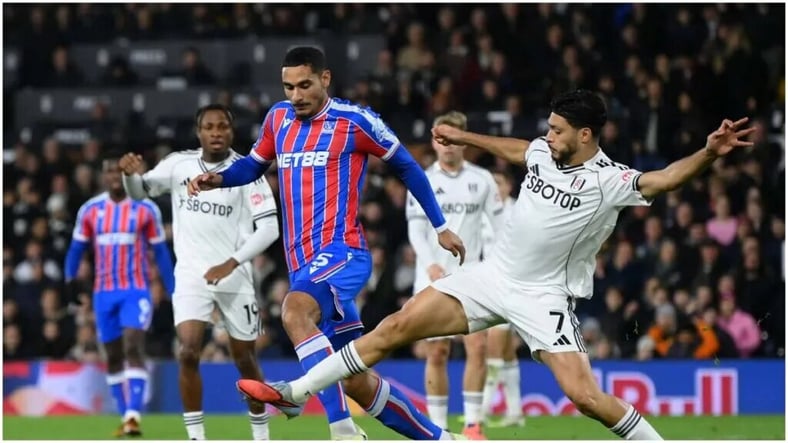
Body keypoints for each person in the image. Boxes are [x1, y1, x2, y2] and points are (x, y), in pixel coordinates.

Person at [237, 89, 756, 441]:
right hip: (490, 277)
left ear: (585, 136)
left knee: (585, 397)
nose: (547, 137)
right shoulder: (542, 153)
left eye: (557, 131)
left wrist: (708, 153)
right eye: (547, 129)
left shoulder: (610, 180)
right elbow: (519, 150)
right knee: (393, 327)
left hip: (544, 297)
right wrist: (466, 139)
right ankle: (293, 393)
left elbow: (663, 180)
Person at [188, 47, 466, 441]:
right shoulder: (277, 119)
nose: (296, 95)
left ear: (325, 79)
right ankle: (441, 439)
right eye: (288, 87)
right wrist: (218, 178)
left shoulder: (355, 121)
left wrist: (440, 226)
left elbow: (406, 165)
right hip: (303, 264)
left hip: (344, 253)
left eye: (304, 85)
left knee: (293, 310)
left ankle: (340, 427)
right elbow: (253, 165)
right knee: (355, 381)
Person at [120, 105, 278, 440]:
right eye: (209, 127)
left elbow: (269, 229)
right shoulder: (179, 164)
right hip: (191, 274)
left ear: (231, 132)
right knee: (188, 351)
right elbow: (139, 192)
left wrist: (231, 262)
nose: (216, 132)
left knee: (245, 360)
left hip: (234, 276)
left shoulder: (248, 172)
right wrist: (130, 176)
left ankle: (261, 434)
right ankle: (196, 436)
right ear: (199, 132)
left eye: (223, 126)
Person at [406, 111, 503, 439]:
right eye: (440, 139)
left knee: (478, 347)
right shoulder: (421, 180)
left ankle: (473, 424)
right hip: (433, 276)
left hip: (473, 277)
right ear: (434, 143)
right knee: (437, 351)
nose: (446, 146)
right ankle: (438, 426)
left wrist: (499, 265)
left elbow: (500, 226)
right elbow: (416, 229)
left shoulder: (483, 180)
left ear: (463, 141)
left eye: (452, 139)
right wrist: (430, 264)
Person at [64, 152, 175, 437]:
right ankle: (126, 414)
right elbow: (76, 249)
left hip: (135, 290)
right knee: (113, 356)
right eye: (109, 172)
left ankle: (134, 416)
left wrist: (173, 289)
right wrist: (70, 281)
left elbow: (161, 253)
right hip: (103, 294)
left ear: (126, 174)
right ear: (104, 176)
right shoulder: (90, 210)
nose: (115, 176)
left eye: (118, 171)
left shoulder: (145, 209)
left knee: (133, 347)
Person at [479, 169, 524, 427]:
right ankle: (515, 411)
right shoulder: (485, 213)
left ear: (508, 186)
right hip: (487, 283)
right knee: (506, 351)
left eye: (499, 184)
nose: (495, 189)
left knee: (494, 346)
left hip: (508, 284)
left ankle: (483, 409)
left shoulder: (517, 211)